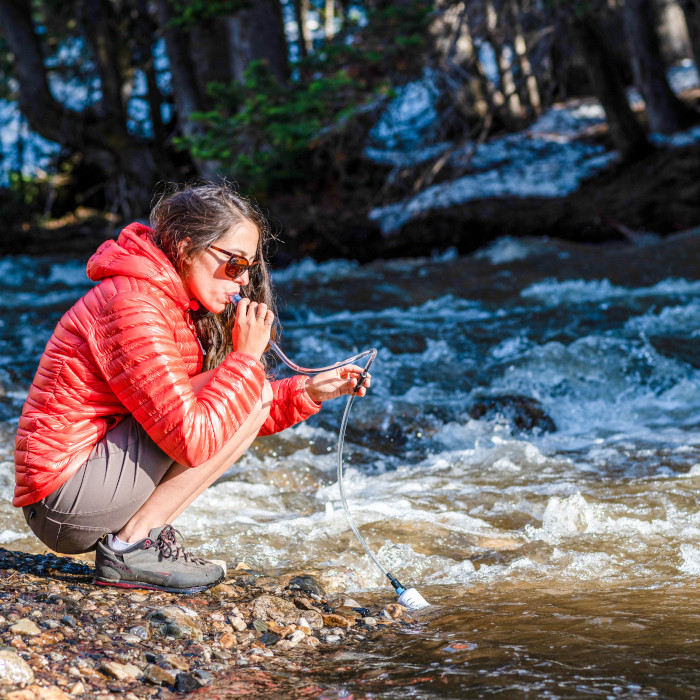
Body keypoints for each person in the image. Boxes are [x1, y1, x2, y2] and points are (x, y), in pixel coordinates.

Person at [13, 182, 371, 593]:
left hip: (85, 488)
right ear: (185, 250)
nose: (243, 282)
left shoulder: (174, 305)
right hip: (65, 501)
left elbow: (227, 417)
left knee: (255, 392)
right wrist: (245, 360)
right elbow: (192, 440)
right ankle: (131, 548)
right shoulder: (134, 307)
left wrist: (307, 392)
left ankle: (136, 542)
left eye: (250, 268)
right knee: (248, 386)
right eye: (235, 264)